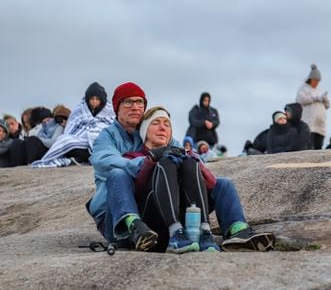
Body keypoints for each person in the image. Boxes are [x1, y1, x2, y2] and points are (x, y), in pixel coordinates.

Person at [87, 82, 274, 252]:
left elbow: (183, 154)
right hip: (115, 212)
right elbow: (104, 161)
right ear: (116, 107)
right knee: (118, 173)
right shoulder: (108, 137)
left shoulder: (157, 134)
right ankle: (133, 226)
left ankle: (237, 231)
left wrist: (192, 161)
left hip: (153, 206)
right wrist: (147, 161)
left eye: (139, 102)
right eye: (128, 102)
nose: (135, 107)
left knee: (222, 184)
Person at [124, 107, 221, 253]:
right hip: (151, 224)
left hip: (184, 219)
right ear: (144, 131)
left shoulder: (181, 152)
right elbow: (136, 188)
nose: (162, 127)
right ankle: (175, 232)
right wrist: (153, 158)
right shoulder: (131, 157)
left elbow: (212, 183)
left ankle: (204, 233)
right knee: (166, 162)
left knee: (188, 162)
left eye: (167, 124)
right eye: (156, 123)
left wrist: (191, 157)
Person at [32, 82, 115, 168]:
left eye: (97, 99)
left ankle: (87, 158)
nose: (94, 101)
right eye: (92, 99)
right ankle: (79, 158)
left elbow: (113, 127)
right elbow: (70, 129)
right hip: (81, 140)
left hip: (100, 140)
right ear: (87, 99)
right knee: (64, 140)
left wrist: (96, 130)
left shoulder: (110, 110)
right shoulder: (79, 109)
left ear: (102, 100)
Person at [296, 64, 330, 149]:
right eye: (315, 80)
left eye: (318, 81)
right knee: (309, 145)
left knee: (319, 146)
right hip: (309, 123)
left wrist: (324, 99)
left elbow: (328, 105)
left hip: (320, 124)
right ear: (310, 79)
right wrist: (316, 98)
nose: (317, 83)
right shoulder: (303, 88)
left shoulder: (319, 91)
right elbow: (300, 100)